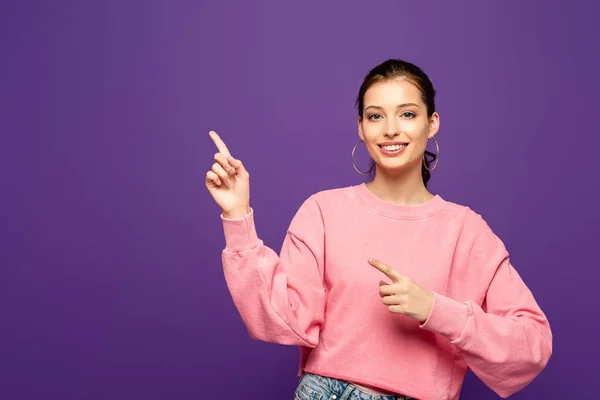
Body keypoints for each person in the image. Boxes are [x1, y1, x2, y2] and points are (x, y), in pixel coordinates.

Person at [205, 59, 552, 400]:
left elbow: (531, 345)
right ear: (361, 127)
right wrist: (238, 217)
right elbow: (280, 317)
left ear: (432, 123)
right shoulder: (323, 212)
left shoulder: (467, 231)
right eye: (375, 116)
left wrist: (435, 309)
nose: (390, 129)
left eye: (407, 114)